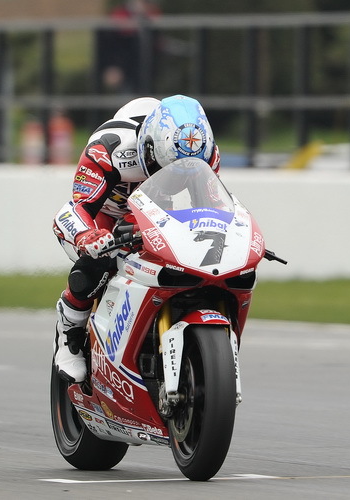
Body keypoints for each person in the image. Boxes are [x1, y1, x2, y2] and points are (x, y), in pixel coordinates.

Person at [51, 94, 222, 383]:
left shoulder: (204, 152)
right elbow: (75, 208)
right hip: (104, 216)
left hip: (155, 215)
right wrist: (87, 235)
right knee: (97, 262)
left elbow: (211, 208)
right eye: (167, 168)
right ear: (149, 147)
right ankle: (69, 331)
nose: (175, 177)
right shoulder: (109, 148)